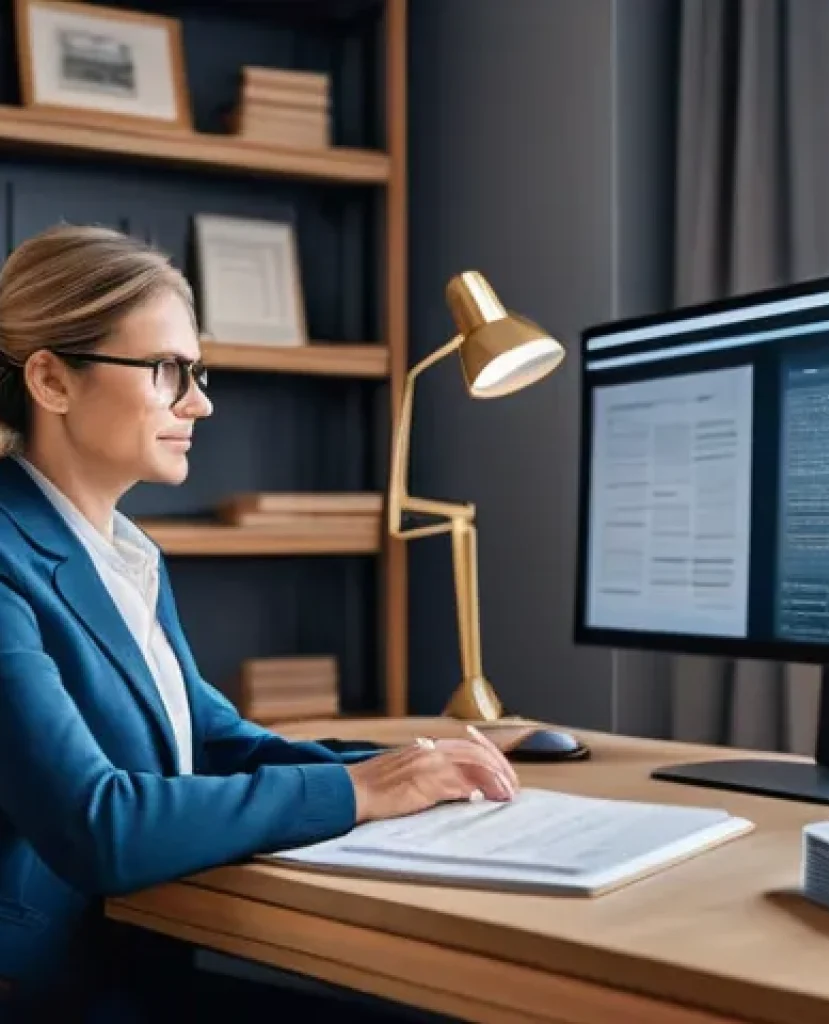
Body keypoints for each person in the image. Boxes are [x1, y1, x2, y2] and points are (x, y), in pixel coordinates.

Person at [0, 224, 519, 1020]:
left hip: (131, 957)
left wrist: (414, 766)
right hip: (51, 987)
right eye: (169, 371)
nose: (201, 402)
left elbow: (215, 743)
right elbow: (95, 823)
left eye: (197, 372)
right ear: (52, 381)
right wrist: (355, 791)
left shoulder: (123, 553)